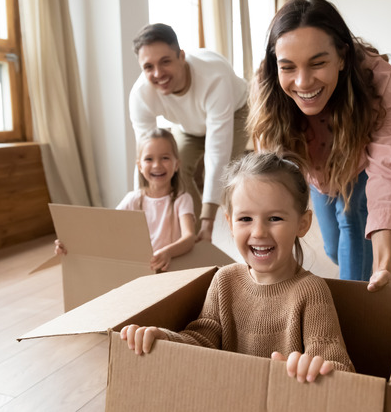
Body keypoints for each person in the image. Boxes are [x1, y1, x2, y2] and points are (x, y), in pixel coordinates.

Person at [120, 152, 355, 383]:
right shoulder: (224, 281)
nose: (259, 232)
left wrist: (314, 369)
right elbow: (203, 340)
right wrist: (166, 339)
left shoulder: (311, 292)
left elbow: (341, 368)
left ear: (302, 224)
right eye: (245, 219)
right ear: (230, 223)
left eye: (274, 218)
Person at [247, 0, 391, 292]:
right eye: (288, 67)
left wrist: (384, 262)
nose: (303, 82)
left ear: (342, 57)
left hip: (364, 153)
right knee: (334, 249)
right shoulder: (267, 85)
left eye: (318, 63)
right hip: (316, 165)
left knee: (351, 220)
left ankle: (354, 309)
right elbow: (268, 176)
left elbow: (386, 175)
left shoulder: (380, 81)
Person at [129, 23, 249, 243]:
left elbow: (217, 152)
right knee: (174, 167)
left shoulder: (214, 77)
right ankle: (190, 237)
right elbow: (145, 158)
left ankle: (217, 232)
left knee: (224, 178)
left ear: (181, 56)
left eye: (165, 61)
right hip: (188, 125)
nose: (158, 73)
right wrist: (140, 216)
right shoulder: (140, 96)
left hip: (235, 112)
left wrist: (208, 222)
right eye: (148, 67)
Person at [55, 128, 195, 272]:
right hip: (138, 270)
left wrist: (167, 253)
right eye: (149, 159)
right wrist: (71, 243)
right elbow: (105, 228)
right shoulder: (133, 199)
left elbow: (189, 237)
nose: (156, 165)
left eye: (165, 158)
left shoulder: (182, 199)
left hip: (170, 271)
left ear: (176, 164)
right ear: (140, 166)